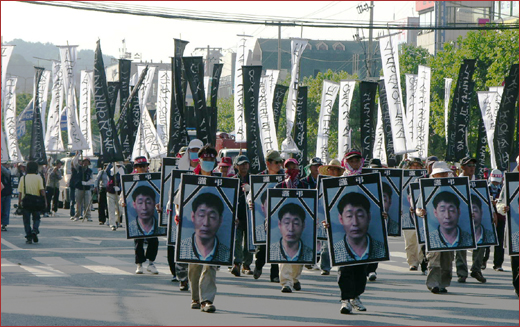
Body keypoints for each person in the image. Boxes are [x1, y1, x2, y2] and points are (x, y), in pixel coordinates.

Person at [175, 144, 220, 313]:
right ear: (199, 160)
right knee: (194, 264)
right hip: (193, 228)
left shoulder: (220, 181)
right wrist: (179, 214)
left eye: (211, 159)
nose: (208, 161)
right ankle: (195, 297)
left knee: (210, 265)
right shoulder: (190, 180)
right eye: (205, 158)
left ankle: (207, 299)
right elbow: (178, 202)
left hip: (213, 229)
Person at [416, 161, 455, 294]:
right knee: (434, 257)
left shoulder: (454, 188)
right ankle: (433, 284)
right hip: (433, 229)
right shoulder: (427, 188)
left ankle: (444, 283)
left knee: (448, 259)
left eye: (444, 173)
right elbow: (418, 207)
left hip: (451, 230)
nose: (442, 176)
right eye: (439, 174)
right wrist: (420, 212)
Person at [170, 139, 203, 289]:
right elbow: (176, 197)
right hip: (185, 214)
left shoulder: (210, 172)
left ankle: (198, 282)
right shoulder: (181, 170)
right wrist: (178, 213)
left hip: (204, 216)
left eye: (198, 150)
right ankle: (182, 278)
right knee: (183, 246)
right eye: (192, 150)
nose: (195, 153)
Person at [121, 156, 160, 275]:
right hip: (136, 215)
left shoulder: (154, 179)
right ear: (135, 168)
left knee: (154, 239)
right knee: (138, 240)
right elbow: (124, 195)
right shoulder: (130, 180)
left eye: (144, 166)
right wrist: (122, 202)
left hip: (152, 214)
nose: (143, 168)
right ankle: (139, 264)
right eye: (140, 166)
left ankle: (151, 262)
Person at [274, 158, 307, 293]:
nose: (291, 168)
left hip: (300, 224)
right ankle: (285, 282)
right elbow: (274, 206)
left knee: (299, 254)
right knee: (284, 253)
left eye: (294, 165)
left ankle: (295, 279)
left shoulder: (304, 186)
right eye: (289, 166)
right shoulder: (280, 186)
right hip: (285, 224)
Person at [252, 149, 283, 283]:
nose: (279, 165)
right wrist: (250, 201)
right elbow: (252, 196)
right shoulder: (258, 179)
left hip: (279, 218)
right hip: (262, 218)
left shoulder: (284, 178)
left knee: (276, 245)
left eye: (280, 162)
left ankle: (275, 275)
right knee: (263, 247)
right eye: (276, 162)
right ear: (268, 163)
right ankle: (259, 266)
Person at [454, 156, 485, 283]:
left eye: (473, 165)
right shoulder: (455, 182)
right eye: (469, 165)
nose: (472, 167)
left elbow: (485, 200)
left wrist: (493, 213)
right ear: (462, 167)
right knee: (461, 244)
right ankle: (462, 272)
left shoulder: (480, 182)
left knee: (481, 243)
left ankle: (476, 269)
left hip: (477, 218)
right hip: (461, 218)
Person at [333, 192, 386, 263]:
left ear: (369, 217)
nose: (355, 223)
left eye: (360, 215)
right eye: (349, 216)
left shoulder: (382, 250)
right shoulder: (334, 251)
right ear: (341, 219)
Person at [180, 192, 230, 262]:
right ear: (193, 217)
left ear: (220, 220)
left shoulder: (227, 254)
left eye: (212, 217)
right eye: (201, 215)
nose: (206, 223)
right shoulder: (181, 249)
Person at [230, 155, 253, 276]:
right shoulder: (233, 180)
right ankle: (237, 263)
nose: (244, 166)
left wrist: (250, 190)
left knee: (249, 241)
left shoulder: (253, 180)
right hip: (237, 216)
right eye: (241, 164)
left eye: (246, 164)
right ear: (236, 166)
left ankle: (246, 264)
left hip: (250, 216)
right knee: (237, 240)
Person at [403, 158, 425, 272]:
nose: (415, 168)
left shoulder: (426, 179)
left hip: (421, 212)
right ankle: (412, 262)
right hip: (407, 214)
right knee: (410, 240)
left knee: (422, 240)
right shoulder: (404, 179)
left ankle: (423, 261)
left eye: (418, 165)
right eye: (413, 165)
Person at [18, 161, 47, 244]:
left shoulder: (23, 178)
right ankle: (35, 230)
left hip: (26, 201)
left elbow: (20, 192)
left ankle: (29, 236)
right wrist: (45, 201)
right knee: (36, 218)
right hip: (36, 201)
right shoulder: (38, 177)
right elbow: (42, 190)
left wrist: (19, 202)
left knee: (26, 220)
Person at [488, 169, 506, 271]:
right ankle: (483, 261)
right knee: (487, 241)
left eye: (497, 181)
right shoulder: (486, 188)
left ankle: (498, 264)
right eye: (494, 181)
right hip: (489, 217)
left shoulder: (504, 189)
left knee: (500, 241)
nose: (495, 183)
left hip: (501, 217)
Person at [72, 152, 94, 221]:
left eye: (87, 162)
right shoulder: (79, 168)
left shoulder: (90, 171)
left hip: (87, 189)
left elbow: (92, 179)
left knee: (87, 203)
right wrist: (78, 155)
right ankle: (77, 215)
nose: (85, 163)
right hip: (79, 188)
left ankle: (88, 216)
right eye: (84, 161)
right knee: (78, 203)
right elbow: (74, 162)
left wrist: (86, 183)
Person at [1, 164, 13, 231]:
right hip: (3, 192)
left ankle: (4, 224)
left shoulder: (8, 171)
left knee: (6, 210)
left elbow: (7, 173)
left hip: (7, 192)